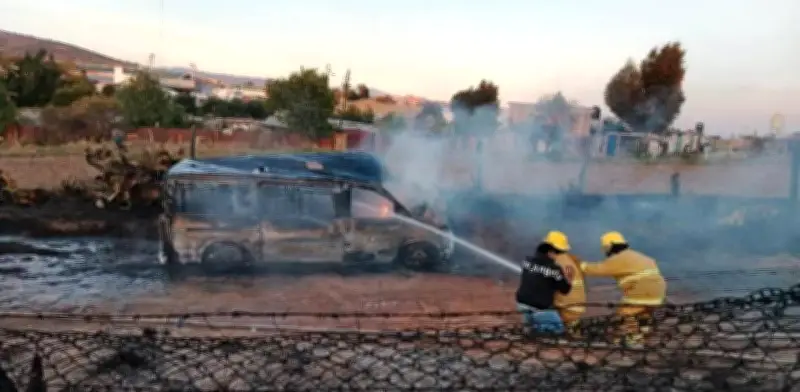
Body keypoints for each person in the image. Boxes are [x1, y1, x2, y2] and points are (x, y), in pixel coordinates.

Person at [579, 231, 667, 345]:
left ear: (609, 247)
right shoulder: (639, 256)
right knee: (643, 313)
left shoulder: (619, 259)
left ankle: (633, 340)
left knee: (625, 314)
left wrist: (579, 265)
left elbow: (598, 269)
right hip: (658, 292)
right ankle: (643, 334)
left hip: (641, 290)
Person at [516, 231, 572, 334]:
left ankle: (530, 326)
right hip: (540, 308)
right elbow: (565, 289)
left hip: (522, 305)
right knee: (558, 331)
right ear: (550, 252)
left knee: (531, 330)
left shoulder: (527, 261)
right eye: (557, 252)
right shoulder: (554, 269)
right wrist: (568, 278)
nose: (558, 256)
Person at [554, 251, 586, 335]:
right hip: (580, 305)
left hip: (565, 307)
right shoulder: (573, 258)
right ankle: (575, 331)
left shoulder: (555, 262)